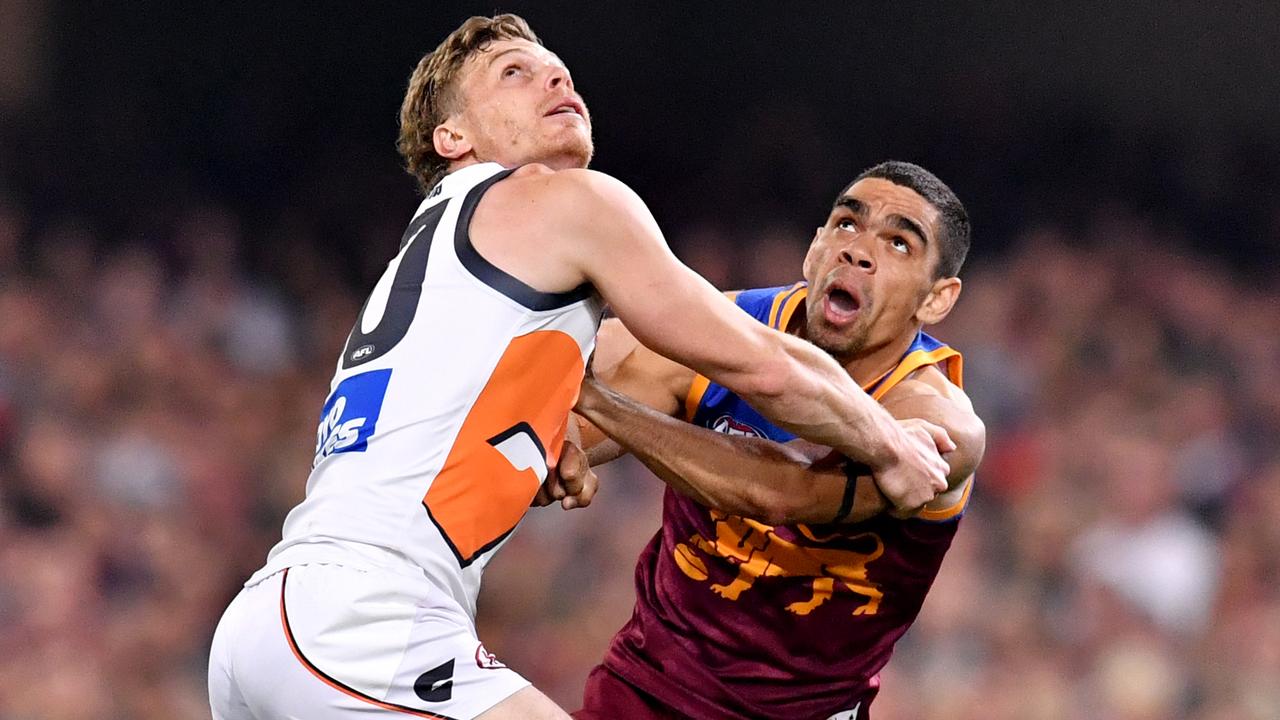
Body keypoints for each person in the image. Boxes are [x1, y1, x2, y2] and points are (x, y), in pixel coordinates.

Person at [207, 15, 953, 720]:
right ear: (453, 136)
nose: (556, 83)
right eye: (515, 74)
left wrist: (547, 435)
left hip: (274, 621)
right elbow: (761, 366)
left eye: (560, 73)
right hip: (360, 616)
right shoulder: (562, 201)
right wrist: (889, 442)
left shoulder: (443, 262)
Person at [571, 161, 985, 720]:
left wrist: (597, 400)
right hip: (646, 690)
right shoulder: (723, 326)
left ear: (936, 299)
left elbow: (784, 491)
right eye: (846, 224)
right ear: (814, 250)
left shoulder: (942, 425)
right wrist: (550, 449)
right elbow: (559, 425)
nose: (859, 250)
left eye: (899, 243)